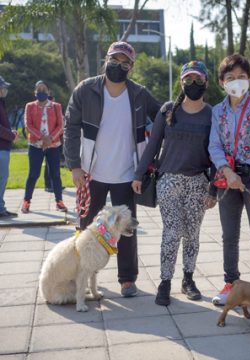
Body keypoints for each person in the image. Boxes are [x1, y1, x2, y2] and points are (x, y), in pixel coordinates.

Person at [64, 41, 160, 298]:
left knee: (126, 228)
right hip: (91, 172)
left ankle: (127, 279)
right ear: (105, 60)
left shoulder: (139, 94)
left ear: (132, 66)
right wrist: (74, 166)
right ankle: (81, 275)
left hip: (127, 175)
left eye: (125, 62)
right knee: (87, 229)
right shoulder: (86, 90)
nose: (119, 65)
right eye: (114, 60)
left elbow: (162, 115)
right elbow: (70, 127)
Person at [132, 60, 217, 306]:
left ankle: (188, 279)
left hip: (198, 183)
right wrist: (139, 175)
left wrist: (213, 189)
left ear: (206, 83)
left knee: (192, 234)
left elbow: (215, 154)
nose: (193, 84)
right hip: (169, 180)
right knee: (172, 232)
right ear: (181, 83)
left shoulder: (211, 115)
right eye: (188, 79)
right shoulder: (168, 111)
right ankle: (165, 281)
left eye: (198, 80)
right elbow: (153, 145)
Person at [208, 54, 250, 305]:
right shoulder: (218, 111)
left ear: (249, 79)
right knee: (229, 236)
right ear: (221, 83)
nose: (236, 81)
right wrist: (227, 171)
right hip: (229, 178)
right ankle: (231, 284)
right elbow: (214, 145)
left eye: (242, 77)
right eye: (230, 77)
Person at [21, 81, 67, 213]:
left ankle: (59, 202)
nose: (41, 91)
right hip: (36, 145)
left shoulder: (56, 106)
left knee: (55, 174)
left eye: (44, 89)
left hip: (53, 145)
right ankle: (26, 202)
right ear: (35, 92)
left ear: (48, 92)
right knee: (33, 174)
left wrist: (50, 138)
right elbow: (28, 125)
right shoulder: (29, 106)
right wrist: (42, 137)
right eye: (38, 89)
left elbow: (60, 125)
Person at [0, 76, 18, 218]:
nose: (5, 89)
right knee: (2, 178)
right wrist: (11, 136)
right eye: (3, 87)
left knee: (3, 178)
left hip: (3, 147)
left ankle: (1, 207)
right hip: (1, 148)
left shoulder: (1, 103)